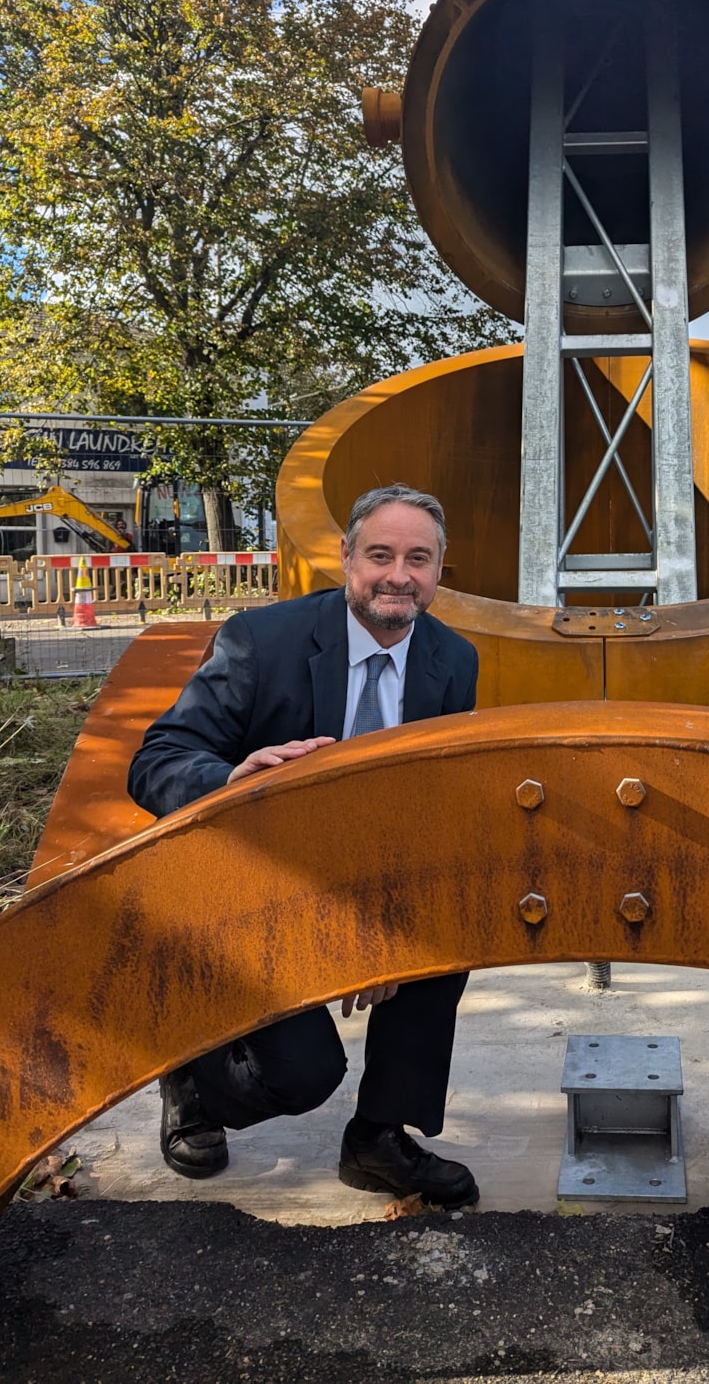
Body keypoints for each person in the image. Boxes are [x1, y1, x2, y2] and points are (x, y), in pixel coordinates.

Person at [128, 483, 480, 1208]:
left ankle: (378, 1137)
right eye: (380, 554)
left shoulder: (454, 661)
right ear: (346, 558)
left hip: (364, 876)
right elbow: (157, 758)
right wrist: (231, 777)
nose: (398, 575)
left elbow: (431, 808)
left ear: (441, 571)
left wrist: (388, 925)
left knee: (450, 932)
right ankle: (194, 1078)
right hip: (256, 884)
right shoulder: (262, 641)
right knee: (302, 1077)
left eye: (419, 558)